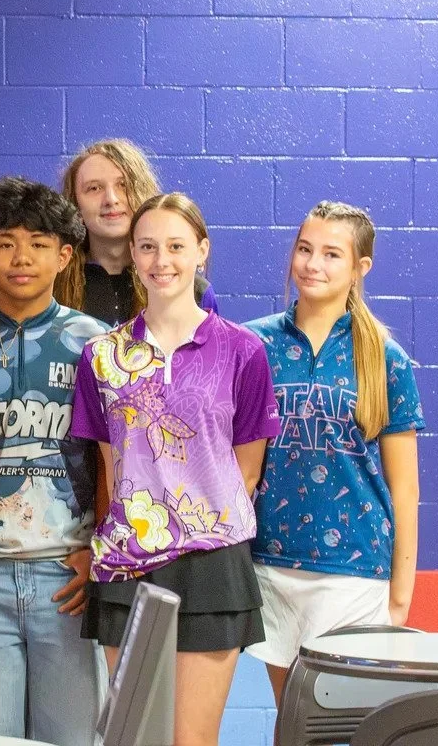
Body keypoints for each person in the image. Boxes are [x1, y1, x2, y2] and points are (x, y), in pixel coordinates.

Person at [70, 193, 281, 746]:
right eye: (148, 247)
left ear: (200, 251)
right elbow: (111, 469)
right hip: (127, 561)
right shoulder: (102, 356)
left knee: (191, 740)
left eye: (175, 246)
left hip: (213, 565)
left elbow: (247, 469)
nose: (161, 260)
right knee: (136, 737)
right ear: (133, 257)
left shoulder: (243, 350)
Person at [0, 177, 109, 746]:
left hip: (68, 576)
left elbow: (121, 465)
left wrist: (99, 553)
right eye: (5, 243)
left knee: (76, 738)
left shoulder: (99, 345)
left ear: (64, 255)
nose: (21, 257)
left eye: (38, 243)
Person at [245, 202, 423, 710]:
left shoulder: (385, 357)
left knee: (337, 719)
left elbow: (405, 488)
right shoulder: (254, 344)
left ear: (359, 267)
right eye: (304, 249)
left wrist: (400, 592)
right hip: (270, 563)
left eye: (330, 254)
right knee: (292, 721)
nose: (312, 264)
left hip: (354, 568)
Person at [57, 138, 218, 325]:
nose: (111, 199)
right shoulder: (53, 285)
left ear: (143, 192)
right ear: (75, 203)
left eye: (123, 185)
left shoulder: (192, 290)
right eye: (94, 188)